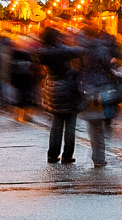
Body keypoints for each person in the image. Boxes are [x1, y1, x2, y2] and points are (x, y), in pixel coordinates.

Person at [77, 17, 122, 166]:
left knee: (93, 124)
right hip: (101, 86)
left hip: (86, 88)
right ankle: (99, 158)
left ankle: (97, 156)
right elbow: (107, 67)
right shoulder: (101, 49)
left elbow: (78, 68)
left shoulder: (80, 50)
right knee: (99, 124)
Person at [37, 25, 83, 163]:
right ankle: (67, 155)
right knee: (70, 123)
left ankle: (52, 154)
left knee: (56, 123)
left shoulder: (43, 51)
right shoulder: (60, 51)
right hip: (67, 88)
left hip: (52, 87)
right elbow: (78, 51)